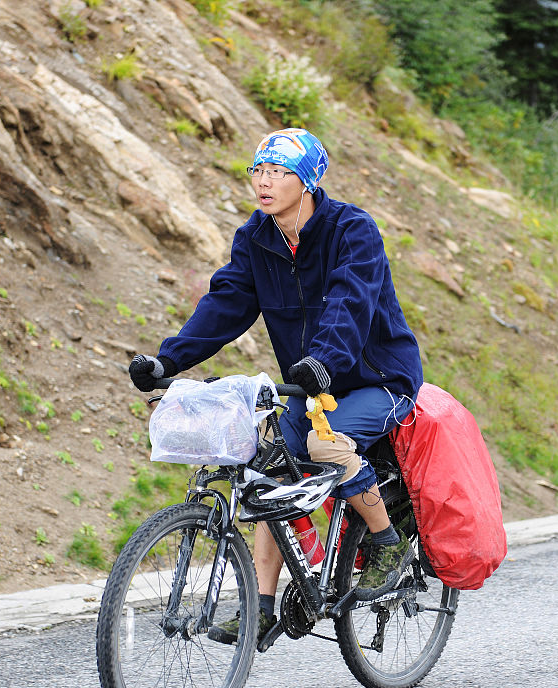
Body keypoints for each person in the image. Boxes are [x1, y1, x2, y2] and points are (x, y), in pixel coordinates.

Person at [128, 128, 423, 643]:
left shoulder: (352, 231)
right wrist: (168, 359)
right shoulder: (256, 238)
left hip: (378, 378)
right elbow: (226, 304)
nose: (264, 183)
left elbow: (349, 306)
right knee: (267, 475)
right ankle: (261, 606)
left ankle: (387, 539)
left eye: (279, 172)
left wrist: (323, 361)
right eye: (258, 171)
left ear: (307, 181)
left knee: (319, 443)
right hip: (314, 385)